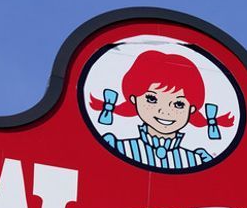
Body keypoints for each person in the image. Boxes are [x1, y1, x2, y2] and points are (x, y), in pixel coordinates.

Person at [90, 50, 235, 169]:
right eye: (152, 99)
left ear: (191, 109)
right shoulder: (117, 147)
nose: (165, 112)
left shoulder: (198, 160)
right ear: (134, 99)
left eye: (178, 104)